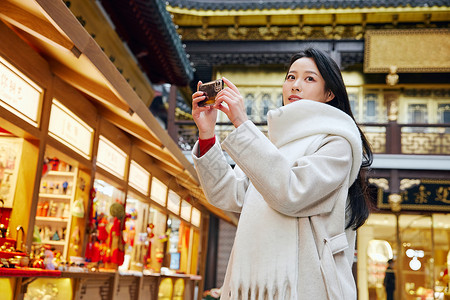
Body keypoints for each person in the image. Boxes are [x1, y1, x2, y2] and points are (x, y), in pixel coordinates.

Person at [191, 48, 373, 300]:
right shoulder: (276, 145)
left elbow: (291, 193)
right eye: (290, 77)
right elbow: (227, 193)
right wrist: (207, 134)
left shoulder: (338, 143)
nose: (295, 85)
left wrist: (242, 123)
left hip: (305, 288)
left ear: (329, 93)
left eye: (309, 79)